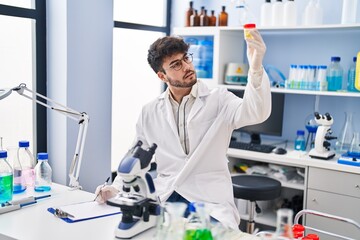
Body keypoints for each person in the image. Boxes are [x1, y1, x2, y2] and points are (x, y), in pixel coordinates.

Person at [95, 30, 271, 230]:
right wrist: (116, 189)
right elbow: (136, 156)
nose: (187, 66)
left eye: (186, 58)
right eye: (176, 65)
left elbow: (256, 112)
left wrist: (255, 67)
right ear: (162, 75)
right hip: (167, 197)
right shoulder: (150, 111)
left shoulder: (219, 99)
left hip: (209, 200)